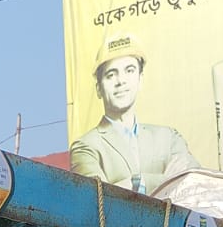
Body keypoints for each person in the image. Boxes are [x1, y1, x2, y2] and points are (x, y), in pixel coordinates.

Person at [70, 33, 199, 197]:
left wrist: (134, 183)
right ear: (99, 89)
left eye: (129, 70)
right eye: (111, 74)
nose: (121, 81)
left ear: (140, 79)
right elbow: (99, 200)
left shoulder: (169, 138)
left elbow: (196, 187)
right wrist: (149, 181)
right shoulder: (86, 147)